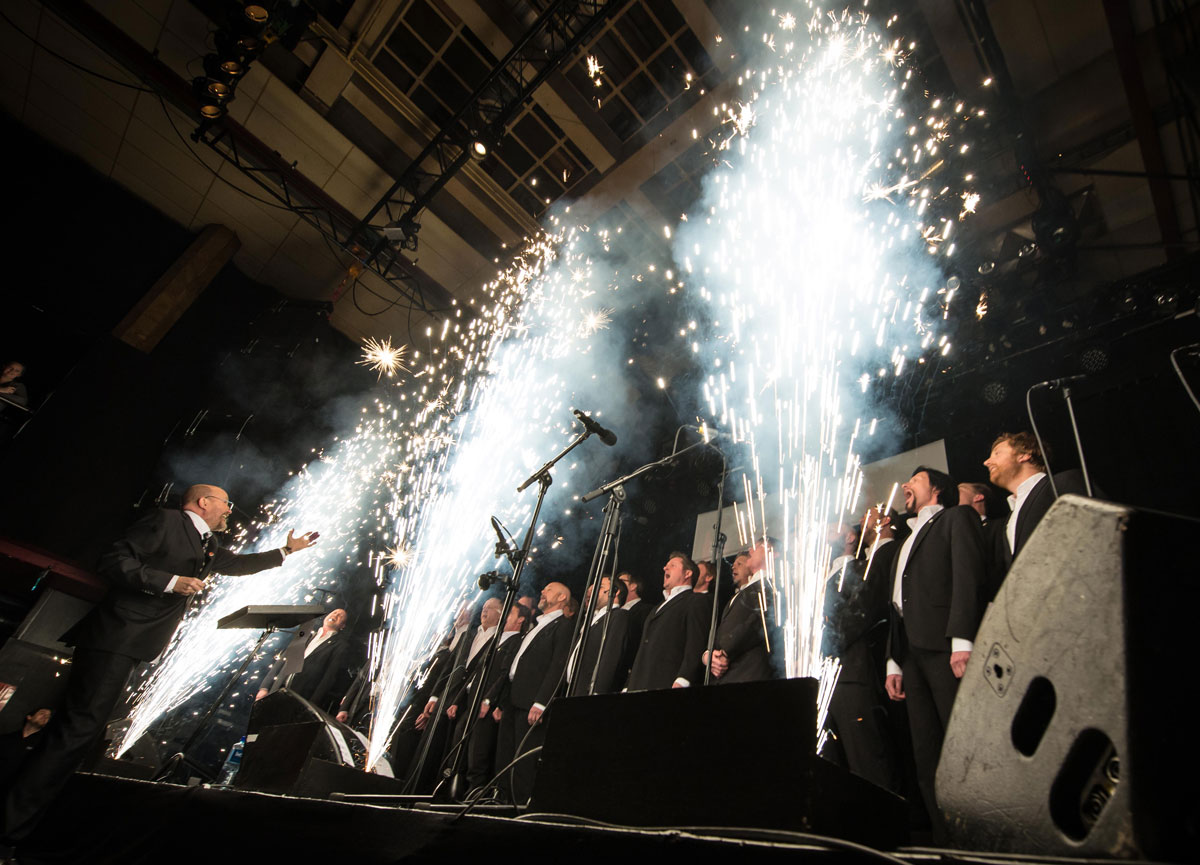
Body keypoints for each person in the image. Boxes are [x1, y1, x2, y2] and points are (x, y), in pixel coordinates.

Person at [0, 485, 317, 848]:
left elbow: (239, 565)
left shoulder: (207, 545)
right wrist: (169, 582)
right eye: (226, 504)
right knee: (76, 731)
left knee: (83, 734)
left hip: (134, 643)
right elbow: (114, 560)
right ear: (203, 502)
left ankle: (30, 826)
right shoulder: (165, 521)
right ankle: (10, 831)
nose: (230, 511)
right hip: (115, 636)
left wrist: (287, 550)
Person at [884, 467, 987, 838]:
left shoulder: (956, 517)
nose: (906, 486)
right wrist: (893, 660)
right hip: (910, 654)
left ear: (937, 489)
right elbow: (896, 605)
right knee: (926, 754)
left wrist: (962, 641)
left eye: (916, 480)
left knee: (961, 743)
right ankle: (946, 841)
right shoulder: (903, 541)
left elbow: (967, 576)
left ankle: (982, 840)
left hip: (945, 648)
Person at [822, 517, 899, 792]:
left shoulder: (862, 569)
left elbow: (859, 615)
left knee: (866, 761)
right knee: (827, 765)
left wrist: (821, 641)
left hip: (850, 676)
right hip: (819, 681)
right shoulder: (813, 581)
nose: (826, 531)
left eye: (834, 527)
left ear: (850, 538)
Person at [486, 582, 572, 804]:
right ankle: (500, 800)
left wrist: (542, 702)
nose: (542, 592)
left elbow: (558, 666)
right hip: (514, 700)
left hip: (532, 703)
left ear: (562, 598)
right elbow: (515, 666)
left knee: (523, 762)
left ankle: (521, 807)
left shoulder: (563, 626)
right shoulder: (536, 626)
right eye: (543, 589)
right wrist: (502, 702)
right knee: (505, 757)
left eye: (549, 590)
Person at [446, 602, 529, 793]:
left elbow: (504, 675)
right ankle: (453, 788)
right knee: (459, 743)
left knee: (478, 750)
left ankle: (473, 791)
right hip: (471, 700)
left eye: (510, 613)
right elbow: (476, 672)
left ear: (520, 619)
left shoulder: (516, 642)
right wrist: (457, 701)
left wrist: (489, 700)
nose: (504, 616)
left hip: (485, 704)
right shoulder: (495, 641)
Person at [626, 553, 707, 691]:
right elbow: (643, 649)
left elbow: (696, 642)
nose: (665, 568)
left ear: (687, 573)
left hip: (666, 682)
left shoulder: (695, 601)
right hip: (639, 684)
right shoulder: (657, 608)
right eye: (666, 565)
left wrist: (684, 678)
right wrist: (629, 684)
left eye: (672, 566)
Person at [255, 608, 350, 713]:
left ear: (343, 626)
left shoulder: (340, 646)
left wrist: (312, 705)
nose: (335, 615)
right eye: (334, 612)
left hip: (300, 698)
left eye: (340, 616)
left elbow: (328, 678)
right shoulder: (305, 635)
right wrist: (265, 687)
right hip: (277, 689)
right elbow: (281, 661)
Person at [707, 544, 776, 683]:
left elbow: (758, 621)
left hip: (748, 674)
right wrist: (709, 655)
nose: (751, 550)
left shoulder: (772, 584)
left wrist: (725, 651)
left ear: (773, 553)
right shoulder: (737, 597)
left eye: (757, 547)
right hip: (725, 676)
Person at [568, 576, 631, 695]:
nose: (594, 590)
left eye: (600, 587)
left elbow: (611, 655)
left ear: (615, 592)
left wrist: (598, 690)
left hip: (590, 691)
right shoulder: (592, 619)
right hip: (575, 688)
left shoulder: (618, 616)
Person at [0, 710, 51, 788]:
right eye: (42, 713)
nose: (45, 717)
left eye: (48, 717)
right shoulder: (8, 738)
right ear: (29, 717)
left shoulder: (42, 746)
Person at [618, 571, 652, 646]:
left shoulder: (646, 610)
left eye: (621, 581)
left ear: (633, 586)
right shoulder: (615, 610)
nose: (617, 585)